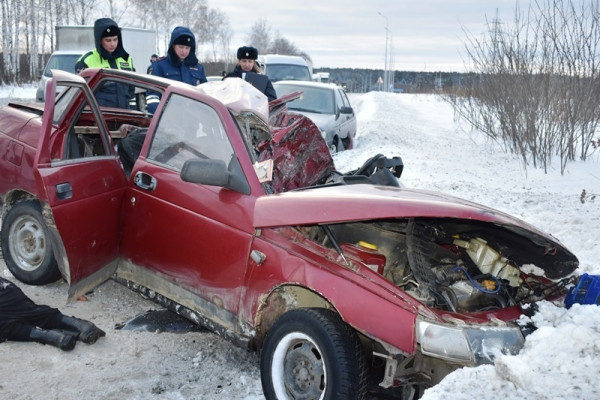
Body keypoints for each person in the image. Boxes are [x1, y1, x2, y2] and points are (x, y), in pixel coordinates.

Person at [0, 277, 105, 351]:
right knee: (34, 312)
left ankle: (53, 337)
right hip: (10, 291)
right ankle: (80, 325)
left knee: (8, 327)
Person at [74, 17, 135, 108]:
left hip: (124, 114)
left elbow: (131, 91)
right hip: (100, 116)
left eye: (115, 39)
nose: (112, 44)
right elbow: (80, 95)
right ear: (99, 40)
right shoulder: (86, 60)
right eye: (108, 40)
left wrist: (133, 114)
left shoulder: (126, 58)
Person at [147, 26, 207, 113]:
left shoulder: (198, 68)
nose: (184, 51)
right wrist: (159, 116)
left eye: (187, 48)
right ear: (173, 46)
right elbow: (152, 96)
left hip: (193, 119)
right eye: (181, 47)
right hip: (168, 117)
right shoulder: (160, 65)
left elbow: (206, 94)